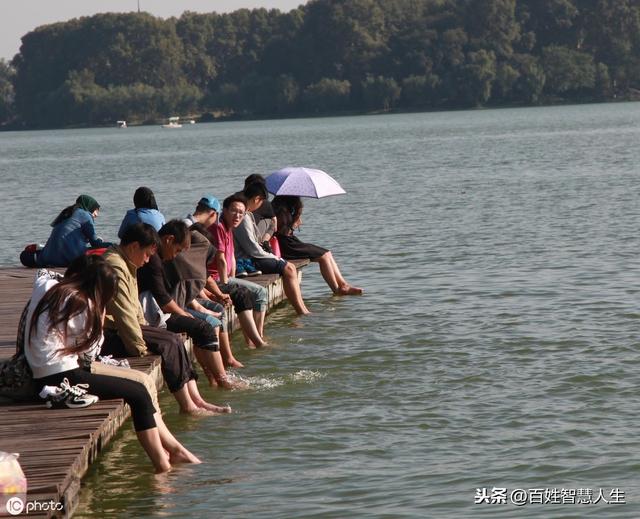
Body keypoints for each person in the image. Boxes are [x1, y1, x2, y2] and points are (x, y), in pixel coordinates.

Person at [24, 255, 201, 473]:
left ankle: (172, 449)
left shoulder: (49, 286)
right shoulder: (82, 303)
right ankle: (162, 464)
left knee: (142, 383)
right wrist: (99, 313)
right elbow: (90, 353)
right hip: (61, 375)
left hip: (51, 367)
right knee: (138, 394)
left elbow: (43, 274)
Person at [100, 222, 229, 414]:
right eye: (147, 255)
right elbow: (124, 314)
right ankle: (188, 406)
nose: (147, 260)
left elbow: (133, 308)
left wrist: (146, 329)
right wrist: (139, 348)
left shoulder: (127, 261)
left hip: (128, 327)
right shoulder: (116, 267)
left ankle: (198, 400)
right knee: (168, 343)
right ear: (134, 246)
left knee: (174, 339)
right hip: (110, 334)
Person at [138, 219, 241, 389]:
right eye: (177, 250)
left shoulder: (158, 257)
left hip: (157, 310)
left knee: (203, 327)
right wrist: (185, 313)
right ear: (168, 240)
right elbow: (163, 299)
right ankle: (222, 380)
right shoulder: (155, 260)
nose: (176, 256)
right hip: (152, 314)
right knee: (204, 328)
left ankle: (215, 380)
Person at [184, 195, 267, 349]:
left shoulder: (229, 228)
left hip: (220, 278)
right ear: (224, 211)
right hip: (215, 279)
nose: (238, 216)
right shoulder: (218, 227)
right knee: (248, 293)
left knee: (257, 292)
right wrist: (226, 284)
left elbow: (232, 259)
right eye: (234, 211)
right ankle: (256, 341)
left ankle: (256, 337)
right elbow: (220, 259)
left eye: (241, 213)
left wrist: (232, 278)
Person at [234, 184, 310, 315]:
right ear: (257, 199)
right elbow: (252, 249)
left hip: (252, 256)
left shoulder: (247, 214)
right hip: (248, 260)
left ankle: (302, 309)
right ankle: (301, 310)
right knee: (289, 268)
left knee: (289, 267)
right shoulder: (244, 216)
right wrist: (275, 257)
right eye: (262, 201)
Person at [272, 195, 363, 295]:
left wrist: (295, 219)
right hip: (285, 245)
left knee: (327, 253)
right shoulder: (280, 211)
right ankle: (336, 290)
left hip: (290, 241)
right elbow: (280, 231)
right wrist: (293, 221)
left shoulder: (284, 207)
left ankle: (343, 285)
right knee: (323, 256)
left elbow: (288, 229)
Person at [22, 195, 110, 267]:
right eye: (96, 211)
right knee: (110, 249)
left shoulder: (67, 213)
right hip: (72, 259)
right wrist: (111, 244)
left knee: (25, 255)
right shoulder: (85, 215)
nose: (96, 215)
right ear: (90, 207)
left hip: (49, 258)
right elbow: (95, 243)